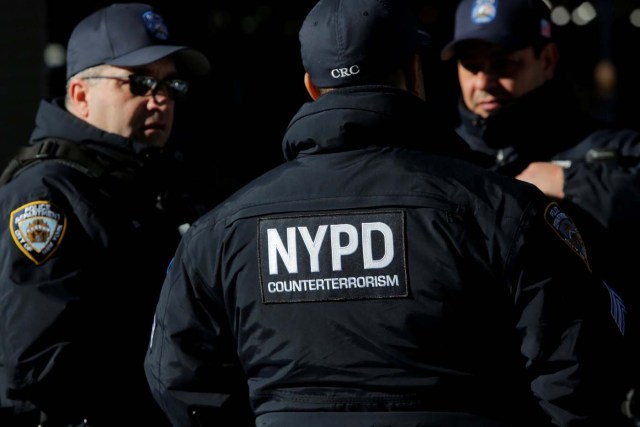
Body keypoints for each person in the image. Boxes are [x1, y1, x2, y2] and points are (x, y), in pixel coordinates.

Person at [143, 0, 628, 425]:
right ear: (416, 74)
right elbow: (580, 373)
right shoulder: (504, 210)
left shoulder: (221, 230)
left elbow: (178, 377)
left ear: (311, 86)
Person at [0, 3, 210, 426]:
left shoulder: (145, 184)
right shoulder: (46, 192)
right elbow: (36, 365)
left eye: (171, 84)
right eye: (141, 82)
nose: (161, 99)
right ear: (80, 95)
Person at [440, 0, 640, 418]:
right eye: (470, 65)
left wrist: (572, 183)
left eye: (503, 63)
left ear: (547, 60)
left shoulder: (608, 150)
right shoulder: (438, 161)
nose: (484, 81)